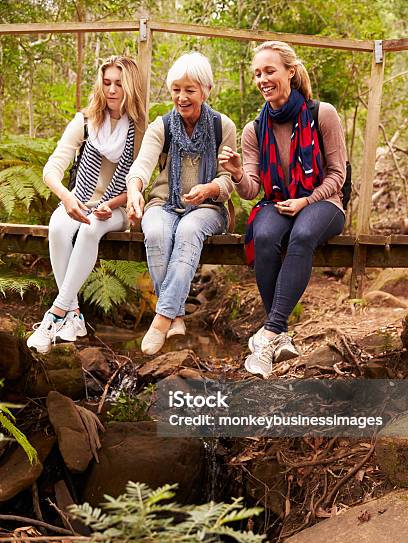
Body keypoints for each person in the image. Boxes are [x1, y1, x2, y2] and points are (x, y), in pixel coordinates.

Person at [219, 41, 346, 378]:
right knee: (263, 235)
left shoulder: (323, 114)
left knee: (303, 234)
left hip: (324, 203)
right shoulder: (254, 130)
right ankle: (281, 334)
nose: (263, 79)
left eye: (269, 71)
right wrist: (235, 172)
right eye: (258, 73)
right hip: (278, 201)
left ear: (290, 71)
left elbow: (338, 175)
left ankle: (269, 332)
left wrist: (306, 200)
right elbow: (251, 190)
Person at [26, 56, 145, 354]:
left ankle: (54, 315)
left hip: (115, 209)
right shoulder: (85, 121)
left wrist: (112, 204)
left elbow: (141, 180)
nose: (112, 90)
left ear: (130, 86)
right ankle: (75, 315)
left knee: (90, 229)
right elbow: (51, 170)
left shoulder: (140, 129)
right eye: (107, 83)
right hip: (79, 199)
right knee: (57, 227)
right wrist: (67, 199)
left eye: (119, 83)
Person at [126, 51, 236, 355]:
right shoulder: (162, 127)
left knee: (188, 230)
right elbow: (141, 166)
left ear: (206, 90)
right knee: (158, 233)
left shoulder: (221, 127)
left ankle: (161, 318)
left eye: (190, 90)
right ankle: (176, 316)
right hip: (164, 203)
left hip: (208, 209)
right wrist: (135, 190)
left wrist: (209, 188)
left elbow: (228, 180)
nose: (182, 97)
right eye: (176, 89)